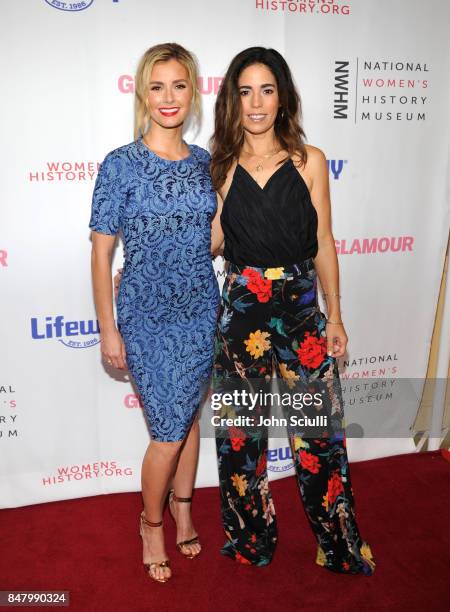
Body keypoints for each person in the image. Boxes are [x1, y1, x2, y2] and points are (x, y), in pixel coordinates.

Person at [208, 47, 376, 575]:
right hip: (241, 309)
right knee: (240, 434)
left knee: (318, 433)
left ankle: (338, 542)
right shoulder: (222, 165)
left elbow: (324, 239)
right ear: (232, 100)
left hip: (302, 309)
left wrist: (337, 314)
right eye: (245, 91)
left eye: (266, 90)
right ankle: (250, 539)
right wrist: (143, 268)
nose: (256, 103)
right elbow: (209, 243)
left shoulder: (309, 161)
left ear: (282, 98)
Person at [89, 42, 220, 583]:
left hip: (198, 309)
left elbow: (209, 241)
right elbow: (101, 253)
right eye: (158, 86)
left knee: (187, 420)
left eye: (180, 85)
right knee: (168, 429)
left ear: (194, 92)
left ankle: (184, 509)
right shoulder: (120, 165)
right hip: (144, 315)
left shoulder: (205, 163)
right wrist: (108, 328)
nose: (169, 98)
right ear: (143, 93)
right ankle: (150, 523)